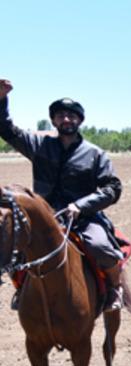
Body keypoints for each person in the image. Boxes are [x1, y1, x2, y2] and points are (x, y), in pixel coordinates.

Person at [0, 79, 124, 312]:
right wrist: (1, 99)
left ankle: (114, 288)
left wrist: (81, 206)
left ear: (79, 120)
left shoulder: (95, 154)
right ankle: (23, 291)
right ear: (54, 120)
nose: (66, 119)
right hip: (46, 219)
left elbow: (112, 188)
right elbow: (6, 129)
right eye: (60, 115)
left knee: (101, 247)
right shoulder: (39, 145)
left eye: (71, 115)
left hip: (83, 218)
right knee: (14, 248)